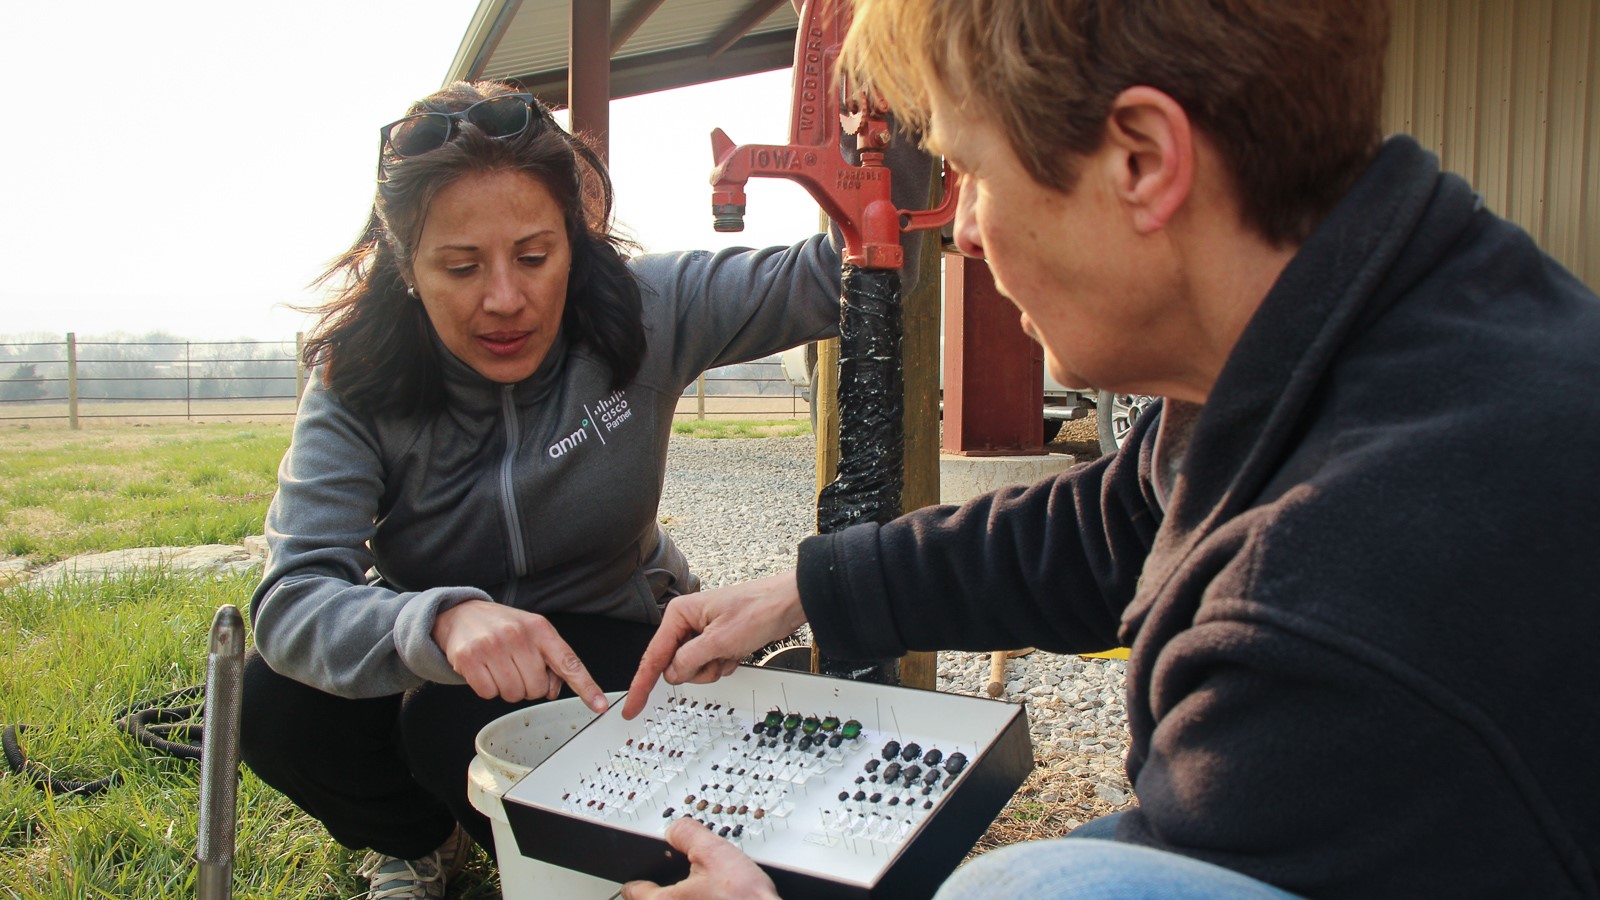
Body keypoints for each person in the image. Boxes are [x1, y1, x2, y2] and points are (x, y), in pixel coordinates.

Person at [621, 1, 1600, 898]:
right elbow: (1120, 520)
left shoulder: (1325, 606)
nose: (961, 232)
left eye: (973, 173)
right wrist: (808, 591)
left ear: (1141, 161)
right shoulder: (1400, 307)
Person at [239, 81, 927, 899]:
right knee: (274, 703)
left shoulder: (648, 309)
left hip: (613, 633)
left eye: (535, 256)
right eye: (461, 266)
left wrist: (900, 111)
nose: (505, 298)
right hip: (445, 646)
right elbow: (292, 600)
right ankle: (419, 842)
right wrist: (442, 619)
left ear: (575, 238)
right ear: (407, 267)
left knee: (449, 728)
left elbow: (851, 273)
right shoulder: (356, 377)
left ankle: (592, 862)